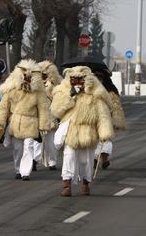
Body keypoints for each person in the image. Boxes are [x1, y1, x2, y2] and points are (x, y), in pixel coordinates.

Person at [51, 66, 114, 196]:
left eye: (80, 79)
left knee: (87, 160)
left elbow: (103, 115)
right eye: (74, 79)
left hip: (88, 131)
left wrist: (104, 133)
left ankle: (86, 183)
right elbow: (56, 110)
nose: (77, 82)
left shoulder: (96, 93)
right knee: (69, 157)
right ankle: (66, 185)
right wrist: (70, 96)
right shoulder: (62, 90)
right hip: (71, 131)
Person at [0, 59, 50, 181]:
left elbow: (43, 108)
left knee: (28, 146)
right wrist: (0, 123)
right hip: (15, 124)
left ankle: (25, 172)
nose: (28, 79)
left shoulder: (38, 92)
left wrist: (43, 125)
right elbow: (3, 108)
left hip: (31, 123)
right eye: (25, 76)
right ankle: (18, 169)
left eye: (30, 77)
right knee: (18, 149)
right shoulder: (11, 91)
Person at [32, 60, 63, 171]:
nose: (43, 75)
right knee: (37, 140)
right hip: (38, 115)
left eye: (45, 73)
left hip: (51, 115)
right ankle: (34, 160)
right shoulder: (35, 83)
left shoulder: (57, 83)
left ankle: (52, 161)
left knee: (51, 141)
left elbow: (60, 99)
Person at [93, 69, 126, 169]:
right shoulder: (89, 89)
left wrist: (117, 120)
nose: (98, 79)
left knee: (106, 138)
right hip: (92, 118)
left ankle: (104, 159)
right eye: (96, 77)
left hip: (106, 118)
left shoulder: (111, 90)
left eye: (100, 77)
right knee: (94, 139)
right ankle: (94, 158)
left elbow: (116, 106)